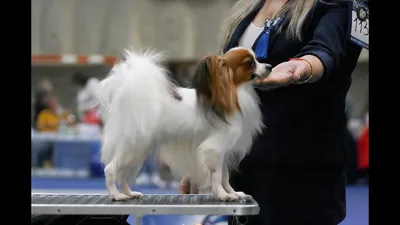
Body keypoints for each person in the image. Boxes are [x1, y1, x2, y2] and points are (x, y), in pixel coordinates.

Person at [180, 1, 362, 225]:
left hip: (301, 173)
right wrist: (198, 159)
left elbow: (327, 49)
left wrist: (302, 67)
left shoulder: (337, 5)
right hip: (244, 171)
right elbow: (223, 94)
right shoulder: (248, 6)